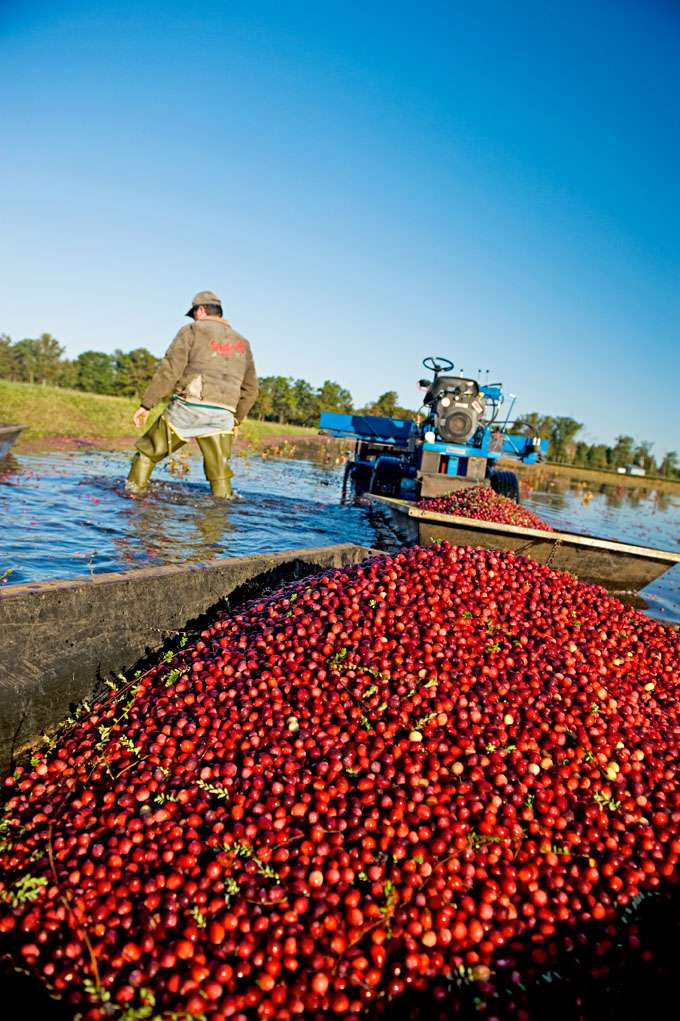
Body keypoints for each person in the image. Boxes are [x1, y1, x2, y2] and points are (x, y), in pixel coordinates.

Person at [126, 290, 258, 498]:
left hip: (190, 407)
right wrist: (236, 419)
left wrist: (146, 404)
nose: (194, 318)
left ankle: (132, 499)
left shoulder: (191, 331)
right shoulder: (243, 342)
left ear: (202, 310)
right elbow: (251, 389)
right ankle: (218, 519)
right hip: (224, 415)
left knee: (146, 453)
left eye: (194, 313)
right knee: (220, 474)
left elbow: (170, 371)